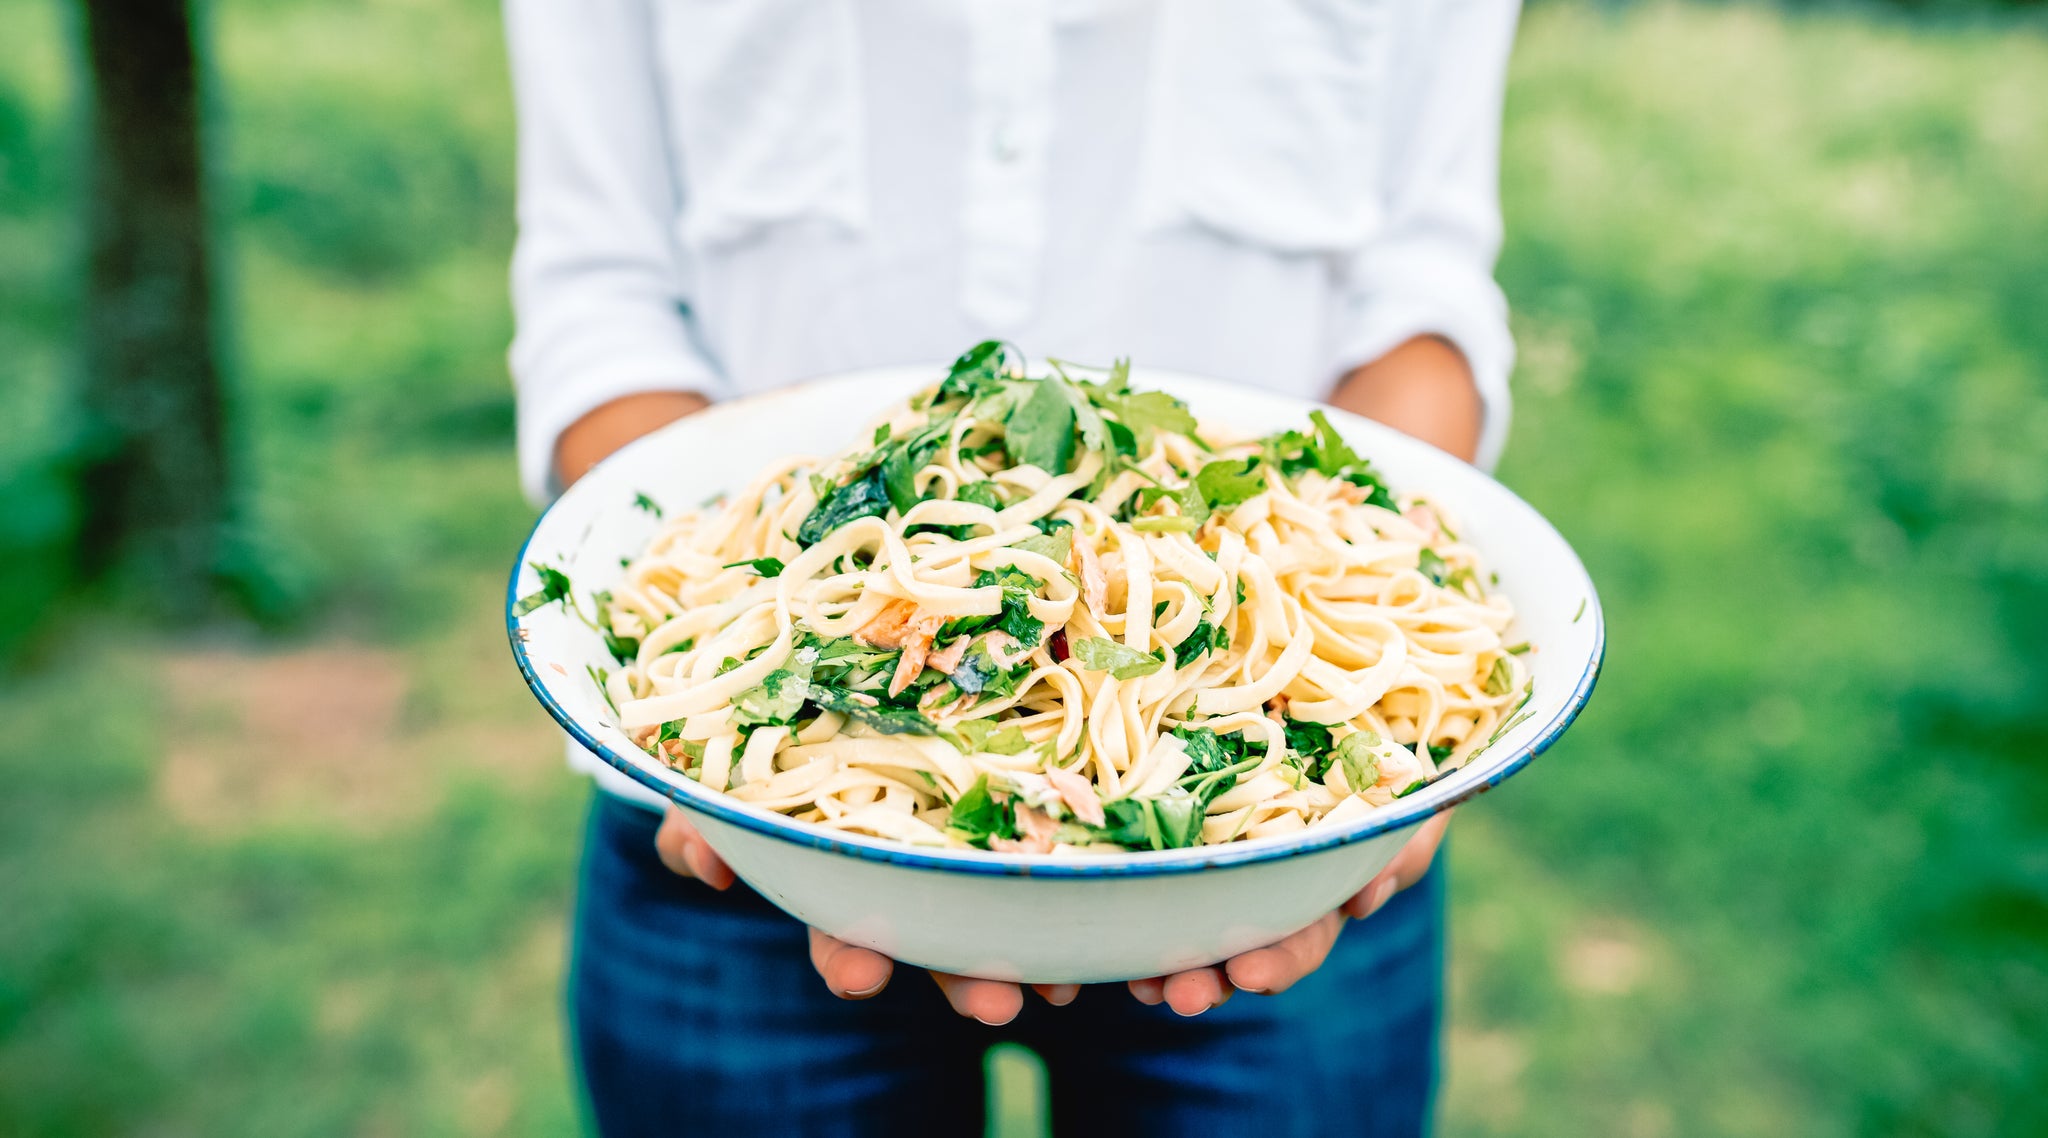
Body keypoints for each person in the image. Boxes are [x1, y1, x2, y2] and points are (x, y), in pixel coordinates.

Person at [505, 2, 1519, 1134]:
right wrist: (734, 673)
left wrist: (1388, 726)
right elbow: (600, 293)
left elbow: (1421, 295)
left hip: (1282, 856)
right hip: (738, 853)